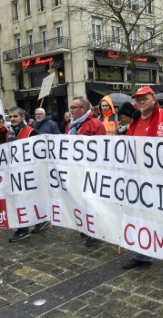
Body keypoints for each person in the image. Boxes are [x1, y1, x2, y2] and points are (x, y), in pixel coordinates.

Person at [122, 86, 163, 269]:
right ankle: (142, 254)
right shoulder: (134, 121)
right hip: (141, 180)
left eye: (144, 98)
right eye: (138, 99)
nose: (141, 102)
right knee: (141, 216)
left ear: (153, 99)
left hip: (162, 180)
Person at [66, 96, 106, 246]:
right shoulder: (72, 126)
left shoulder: (95, 124)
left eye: (73, 108)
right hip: (76, 170)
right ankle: (85, 225)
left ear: (83, 109)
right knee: (80, 200)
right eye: (71, 108)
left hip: (90, 170)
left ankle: (95, 231)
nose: (71, 111)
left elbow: (101, 149)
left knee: (92, 202)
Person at [6, 107, 45, 242]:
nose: (12, 119)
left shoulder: (31, 132)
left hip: (28, 173)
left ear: (22, 117)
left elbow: (40, 152)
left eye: (15, 116)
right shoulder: (10, 133)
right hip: (15, 172)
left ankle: (24, 229)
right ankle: (41, 219)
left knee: (26, 200)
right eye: (10, 117)